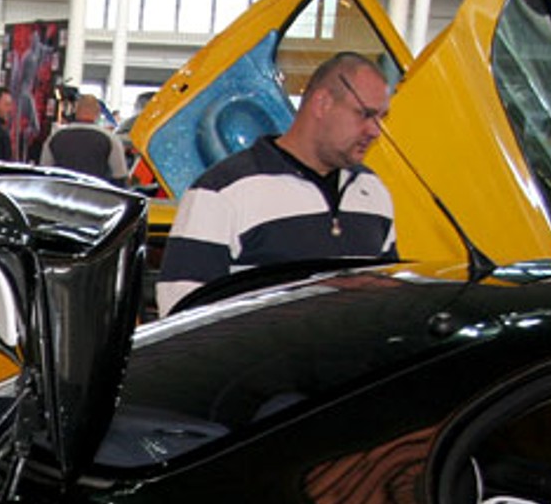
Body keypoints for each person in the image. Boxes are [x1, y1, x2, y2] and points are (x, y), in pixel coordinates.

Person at [155, 51, 397, 316]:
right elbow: (181, 313)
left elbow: (385, 302)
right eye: (365, 114)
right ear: (322, 103)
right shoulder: (221, 192)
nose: (375, 130)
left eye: (381, 117)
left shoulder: (373, 192)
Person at [41, 93, 129, 185]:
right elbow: (119, 177)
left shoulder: (55, 137)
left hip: (60, 192)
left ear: (75, 110)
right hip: (95, 192)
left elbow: (44, 172)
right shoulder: (111, 139)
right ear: (98, 113)